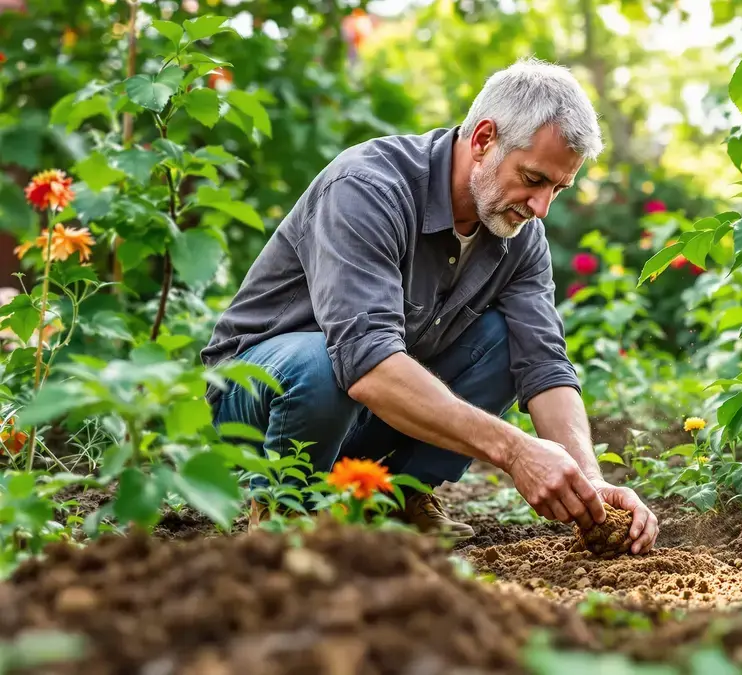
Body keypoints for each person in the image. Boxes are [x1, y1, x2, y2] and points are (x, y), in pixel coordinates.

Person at [200, 57, 659, 553]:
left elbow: (543, 364)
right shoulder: (368, 188)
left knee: (507, 341)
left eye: (557, 189)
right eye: (533, 179)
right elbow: (368, 364)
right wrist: (515, 450)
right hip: (260, 401)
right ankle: (286, 508)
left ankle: (396, 497)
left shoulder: (521, 236)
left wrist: (589, 482)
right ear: (483, 139)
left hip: (363, 409)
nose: (541, 206)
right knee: (323, 363)